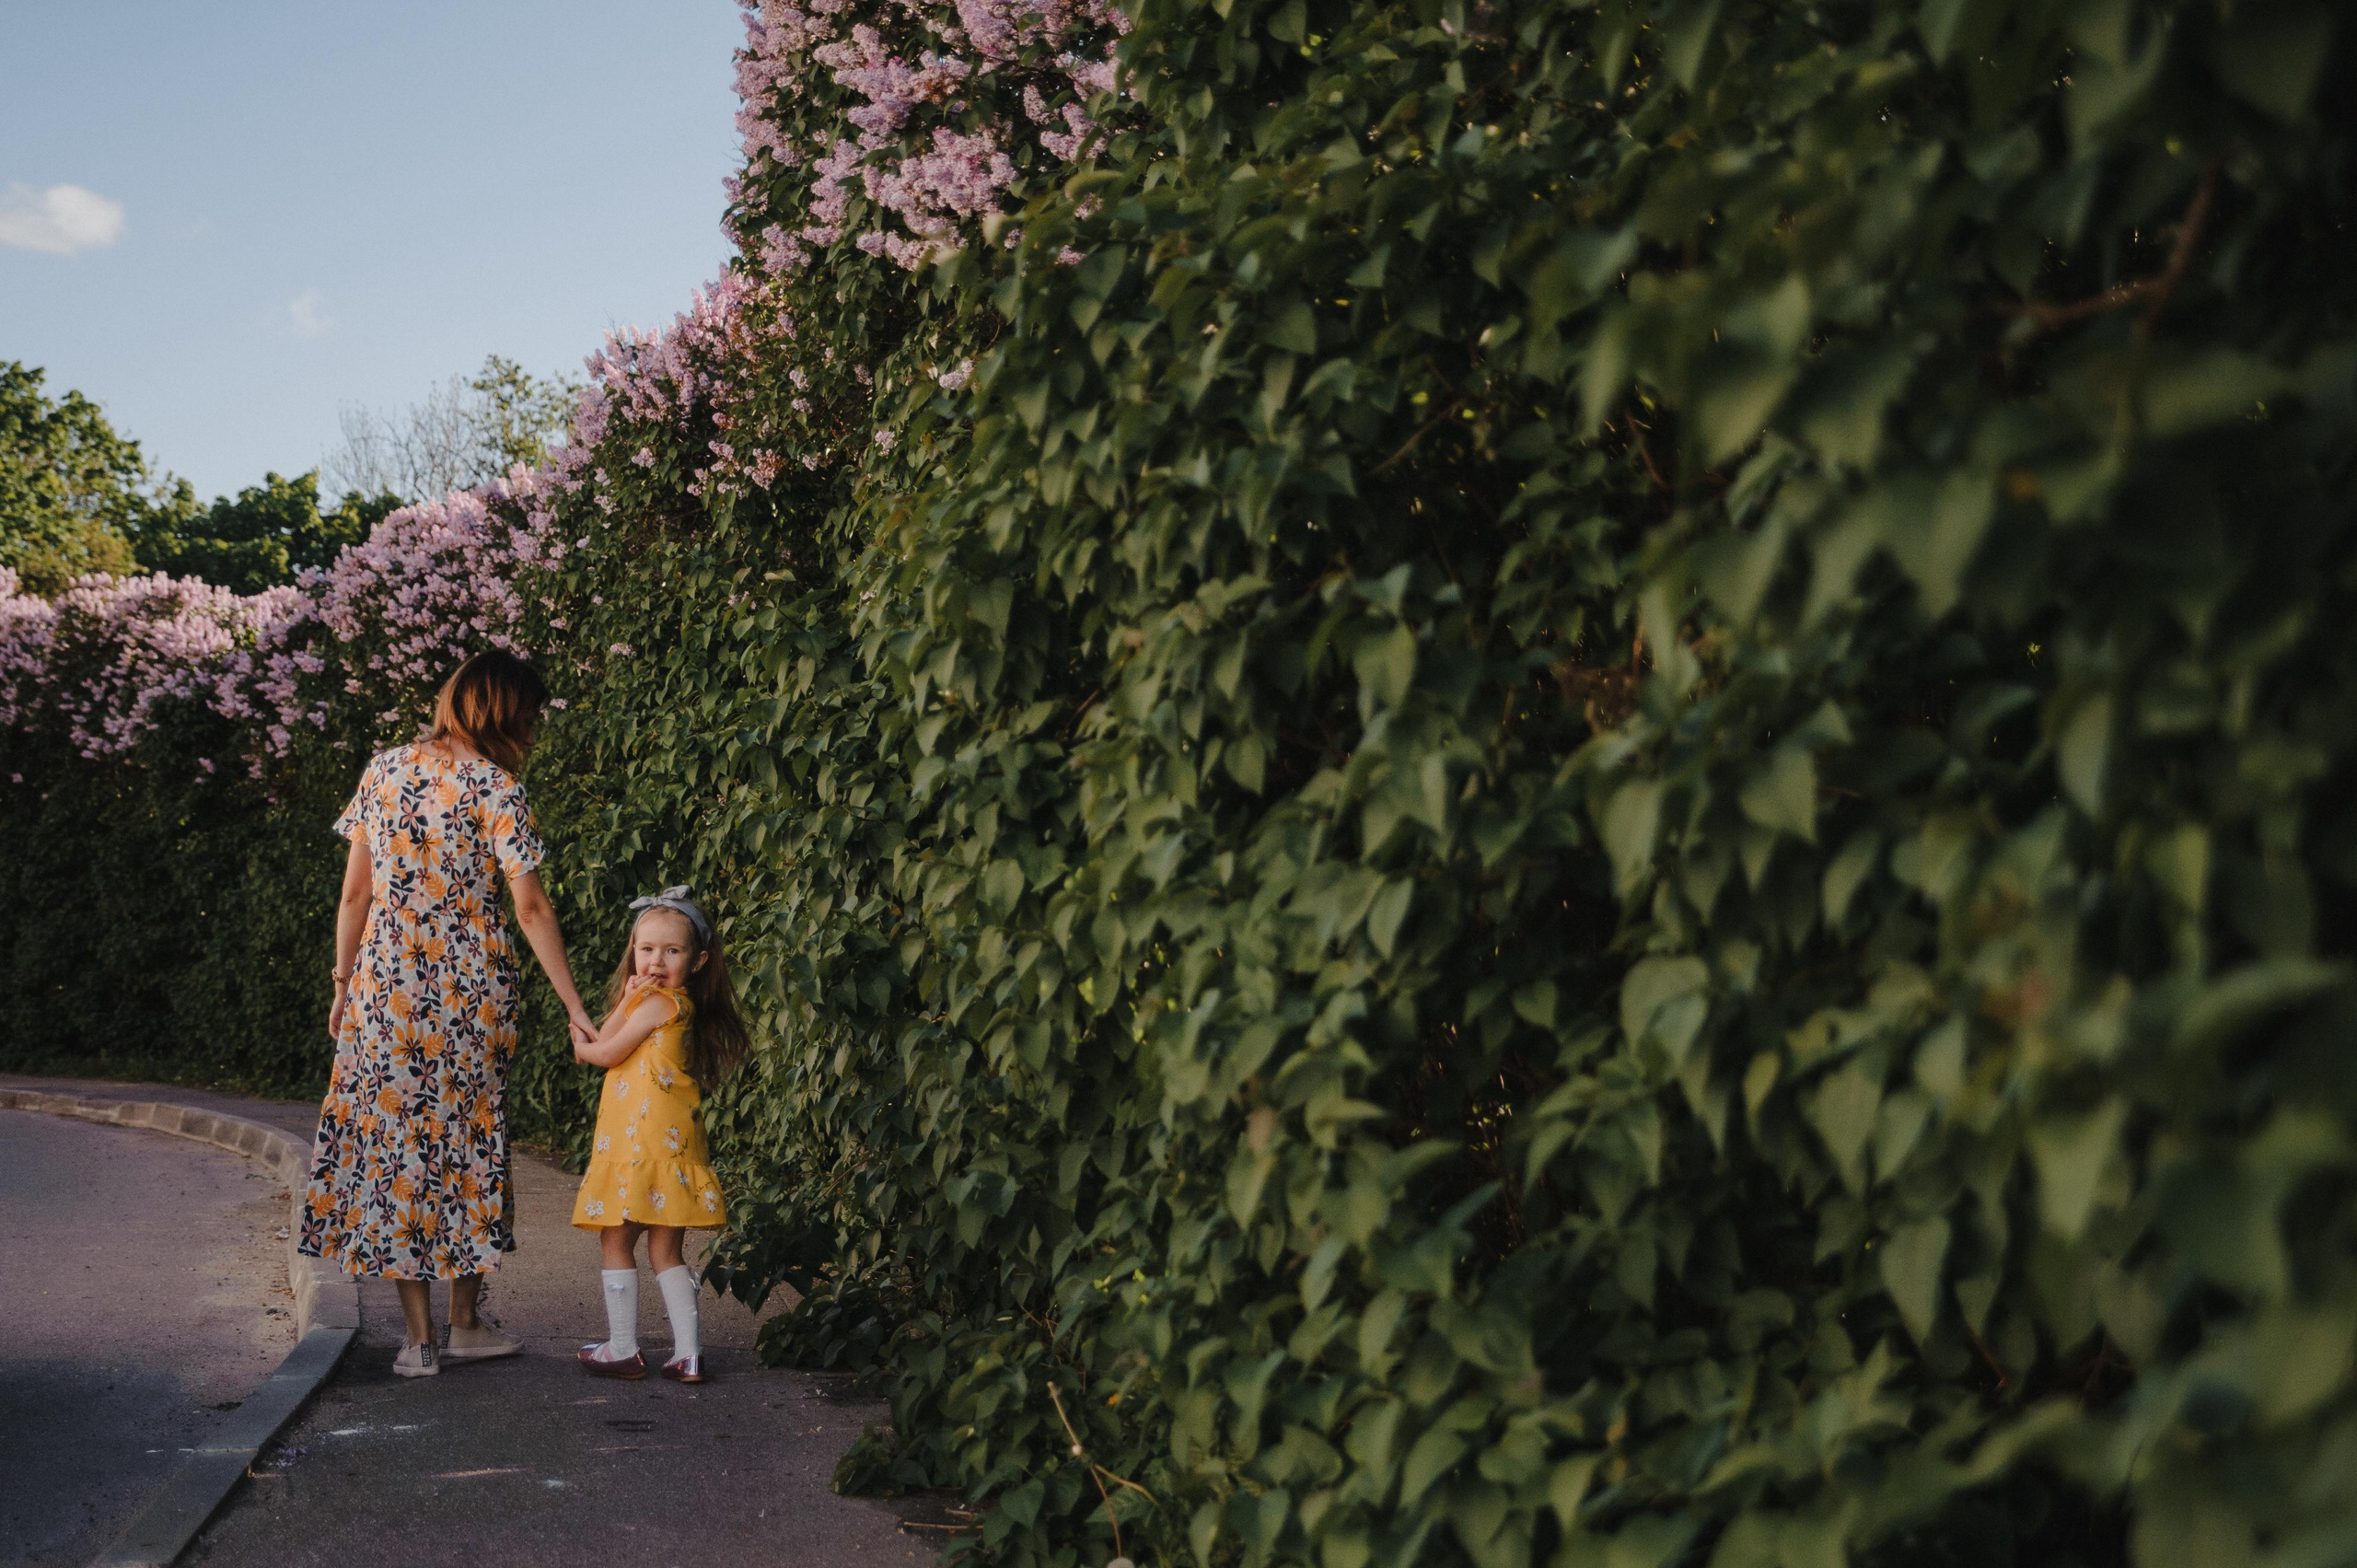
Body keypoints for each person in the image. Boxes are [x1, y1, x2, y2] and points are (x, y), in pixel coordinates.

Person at [297, 650, 600, 1378]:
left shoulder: (383, 770)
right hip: (472, 991)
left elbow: (355, 895)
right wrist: (575, 1004)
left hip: (387, 986)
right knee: (469, 1138)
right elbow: (531, 906)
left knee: (398, 1145)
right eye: (530, 715)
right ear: (506, 711)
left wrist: (342, 983)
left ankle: (419, 1339)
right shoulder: (498, 787)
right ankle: (465, 1322)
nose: (532, 728)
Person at [569, 886, 749, 1383]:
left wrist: (581, 1047)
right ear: (633, 952)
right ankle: (687, 1353)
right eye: (646, 949)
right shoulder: (664, 1003)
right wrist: (627, 1000)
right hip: (668, 1148)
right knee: (666, 1252)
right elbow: (611, 1035)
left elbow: (604, 1050)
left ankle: (622, 1348)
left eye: (672, 951)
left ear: (698, 961)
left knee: (616, 1240)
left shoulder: (662, 1004)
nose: (655, 961)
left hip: (640, 1148)